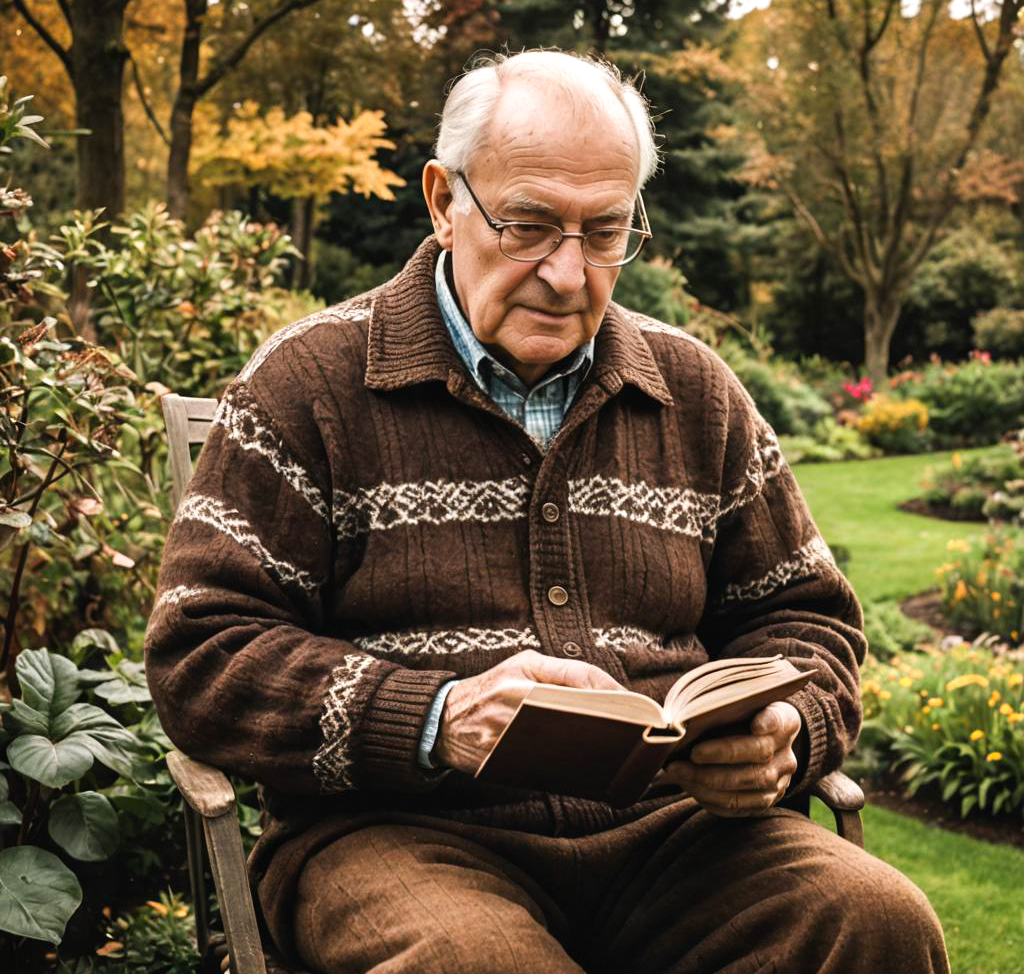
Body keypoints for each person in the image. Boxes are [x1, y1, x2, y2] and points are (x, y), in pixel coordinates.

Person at [145, 49, 948, 973]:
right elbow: (202, 651)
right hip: (394, 837)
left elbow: (808, 615)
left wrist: (791, 729)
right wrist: (438, 719)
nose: (568, 274)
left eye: (605, 232)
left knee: (875, 920)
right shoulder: (309, 385)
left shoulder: (694, 390)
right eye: (528, 224)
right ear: (445, 202)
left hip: (673, 839)